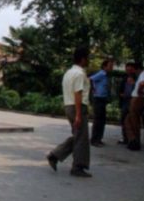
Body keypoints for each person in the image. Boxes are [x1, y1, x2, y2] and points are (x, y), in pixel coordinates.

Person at [47, 47, 91, 178]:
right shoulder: (79, 74)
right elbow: (77, 93)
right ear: (83, 59)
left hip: (69, 106)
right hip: (77, 107)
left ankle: (55, 155)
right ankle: (77, 167)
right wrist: (78, 114)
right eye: (88, 58)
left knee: (78, 136)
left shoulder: (69, 72)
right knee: (82, 138)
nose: (88, 60)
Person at [125, 63, 144, 151]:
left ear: (136, 69)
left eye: (132, 70)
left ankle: (135, 141)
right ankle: (133, 139)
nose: (131, 72)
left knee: (133, 120)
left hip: (137, 98)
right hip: (139, 98)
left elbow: (142, 83)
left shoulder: (143, 75)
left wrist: (139, 90)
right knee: (130, 120)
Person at [89, 59, 114, 147]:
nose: (112, 67)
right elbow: (90, 79)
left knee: (102, 120)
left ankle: (99, 139)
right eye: (110, 66)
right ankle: (94, 140)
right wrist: (93, 89)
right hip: (98, 98)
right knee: (98, 120)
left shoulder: (106, 75)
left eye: (112, 66)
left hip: (103, 98)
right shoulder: (101, 73)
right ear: (104, 66)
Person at [117, 63, 137, 145]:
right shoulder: (124, 78)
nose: (128, 71)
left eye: (130, 69)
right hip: (125, 101)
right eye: (127, 69)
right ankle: (125, 138)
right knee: (123, 119)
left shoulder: (136, 78)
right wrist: (122, 95)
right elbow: (119, 91)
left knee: (132, 120)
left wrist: (133, 84)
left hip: (133, 101)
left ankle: (133, 138)